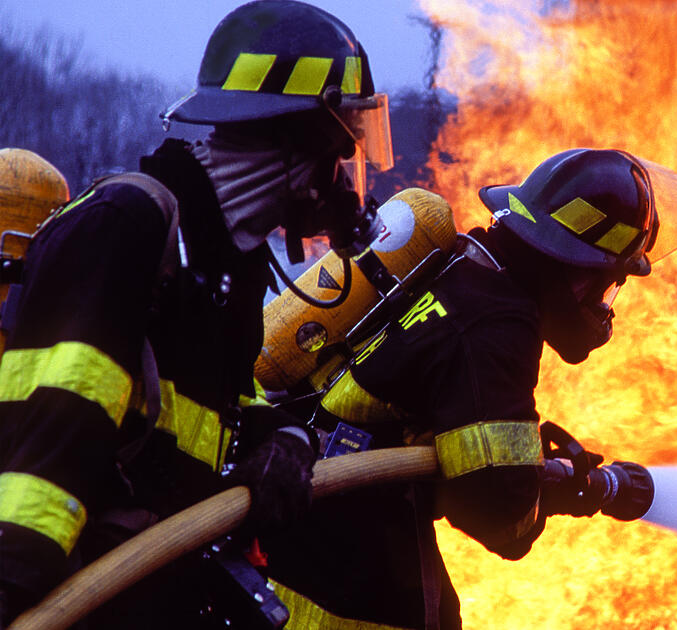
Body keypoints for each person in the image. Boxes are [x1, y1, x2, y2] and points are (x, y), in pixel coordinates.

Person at [0, 1, 395, 626]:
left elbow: (229, 410)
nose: (347, 179)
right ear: (300, 141)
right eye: (343, 145)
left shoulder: (222, 265)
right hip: (80, 594)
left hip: (161, 587)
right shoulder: (128, 226)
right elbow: (56, 421)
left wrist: (288, 440)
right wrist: (18, 590)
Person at [260, 148, 677, 629]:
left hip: (299, 520)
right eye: (609, 285)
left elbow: (458, 452)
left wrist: (535, 472)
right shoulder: (496, 326)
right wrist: (560, 487)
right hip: (345, 559)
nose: (604, 306)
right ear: (578, 268)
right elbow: (500, 514)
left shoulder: (461, 273)